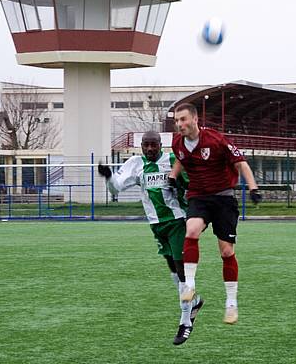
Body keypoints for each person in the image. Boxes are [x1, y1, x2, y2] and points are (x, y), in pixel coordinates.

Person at [98, 131, 203, 345]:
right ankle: (195, 302)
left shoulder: (173, 160)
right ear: (141, 146)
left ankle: (186, 322)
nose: (149, 149)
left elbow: (192, 183)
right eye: (146, 145)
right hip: (156, 224)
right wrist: (108, 176)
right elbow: (116, 188)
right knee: (173, 269)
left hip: (178, 221)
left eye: (153, 145)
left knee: (182, 270)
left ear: (160, 145)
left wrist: (181, 186)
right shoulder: (136, 163)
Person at [168, 103, 262, 325]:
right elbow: (182, 158)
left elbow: (241, 163)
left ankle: (231, 302)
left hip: (223, 198)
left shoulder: (216, 140)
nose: (180, 124)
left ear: (195, 119)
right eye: (177, 121)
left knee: (227, 252)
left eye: (183, 119)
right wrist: (173, 176)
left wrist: (253, 188)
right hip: (198, 196)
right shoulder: (177, 144)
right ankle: (189, 285)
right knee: (191, 230)